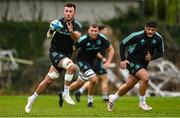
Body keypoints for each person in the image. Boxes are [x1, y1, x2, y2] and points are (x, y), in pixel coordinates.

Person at [25, 3, 82, 113]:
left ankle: (31, 99)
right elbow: (49, 36)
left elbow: (77, 40)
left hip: (65, 55)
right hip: (55, 53)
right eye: (66, 11)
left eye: (70, 11)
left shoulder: (77, 25)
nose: (68, 13)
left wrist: (70, 31)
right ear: (64, 11)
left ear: (74, 12)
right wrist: (51, 29)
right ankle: (66, 92)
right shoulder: (58, 22)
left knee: (48, 80)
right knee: (72, 67)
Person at [107, 21, 164, 111]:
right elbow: (122, 44)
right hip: (132, 61)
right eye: (148, 29)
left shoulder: (158, 38)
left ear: (155, 30)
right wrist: (123, 59)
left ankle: (113, 98)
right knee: (145, 78)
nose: (150, 32)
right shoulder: (137, 36)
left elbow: (161, 52)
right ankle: (142, 103)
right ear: (145, 28)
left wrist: (151, 57)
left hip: (143, 63)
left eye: (152, 30)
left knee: (129, 85)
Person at [59, 24, 114, 107]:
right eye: (92, 30)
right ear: (88, 31)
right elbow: (73, 49)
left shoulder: (102, 38)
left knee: (79, 83)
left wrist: (108, 62)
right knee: (94, 79)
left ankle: (63, 93)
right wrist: (67, 59)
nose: (93, 33)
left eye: (95, 31)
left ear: (98, 31)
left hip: (91, 62)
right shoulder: (83, 39)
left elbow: (111, 49)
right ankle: (90, 102)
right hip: (82, 61)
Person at [74, 26, 111, 102]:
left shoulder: (102, 39)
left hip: (93, 62)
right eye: (105, 30)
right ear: (100, 31)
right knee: (103, 79)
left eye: (107, 30)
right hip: (97, 62)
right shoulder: (99, 39)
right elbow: (96, 51)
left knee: (94, 80)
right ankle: (105, 97)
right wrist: (102, 59)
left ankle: (80, 91)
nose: (107, 31)